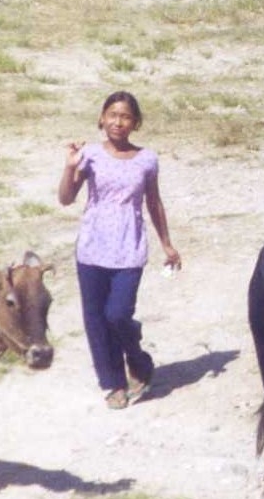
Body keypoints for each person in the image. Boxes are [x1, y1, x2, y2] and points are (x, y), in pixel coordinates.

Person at [58, 91, 182, 410]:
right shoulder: (89, 156)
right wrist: (69, 167)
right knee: (96, 319)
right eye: (112, 114)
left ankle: (138, 359)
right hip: (92, 246)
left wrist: (167, 244)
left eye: (125, 116)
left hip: (129, 247)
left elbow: (154, 203)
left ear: (135, 123)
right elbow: (66, 198)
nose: (118, 121)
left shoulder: (147, 159)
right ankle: (113, 383)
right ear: (102, 118)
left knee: (118, 314)